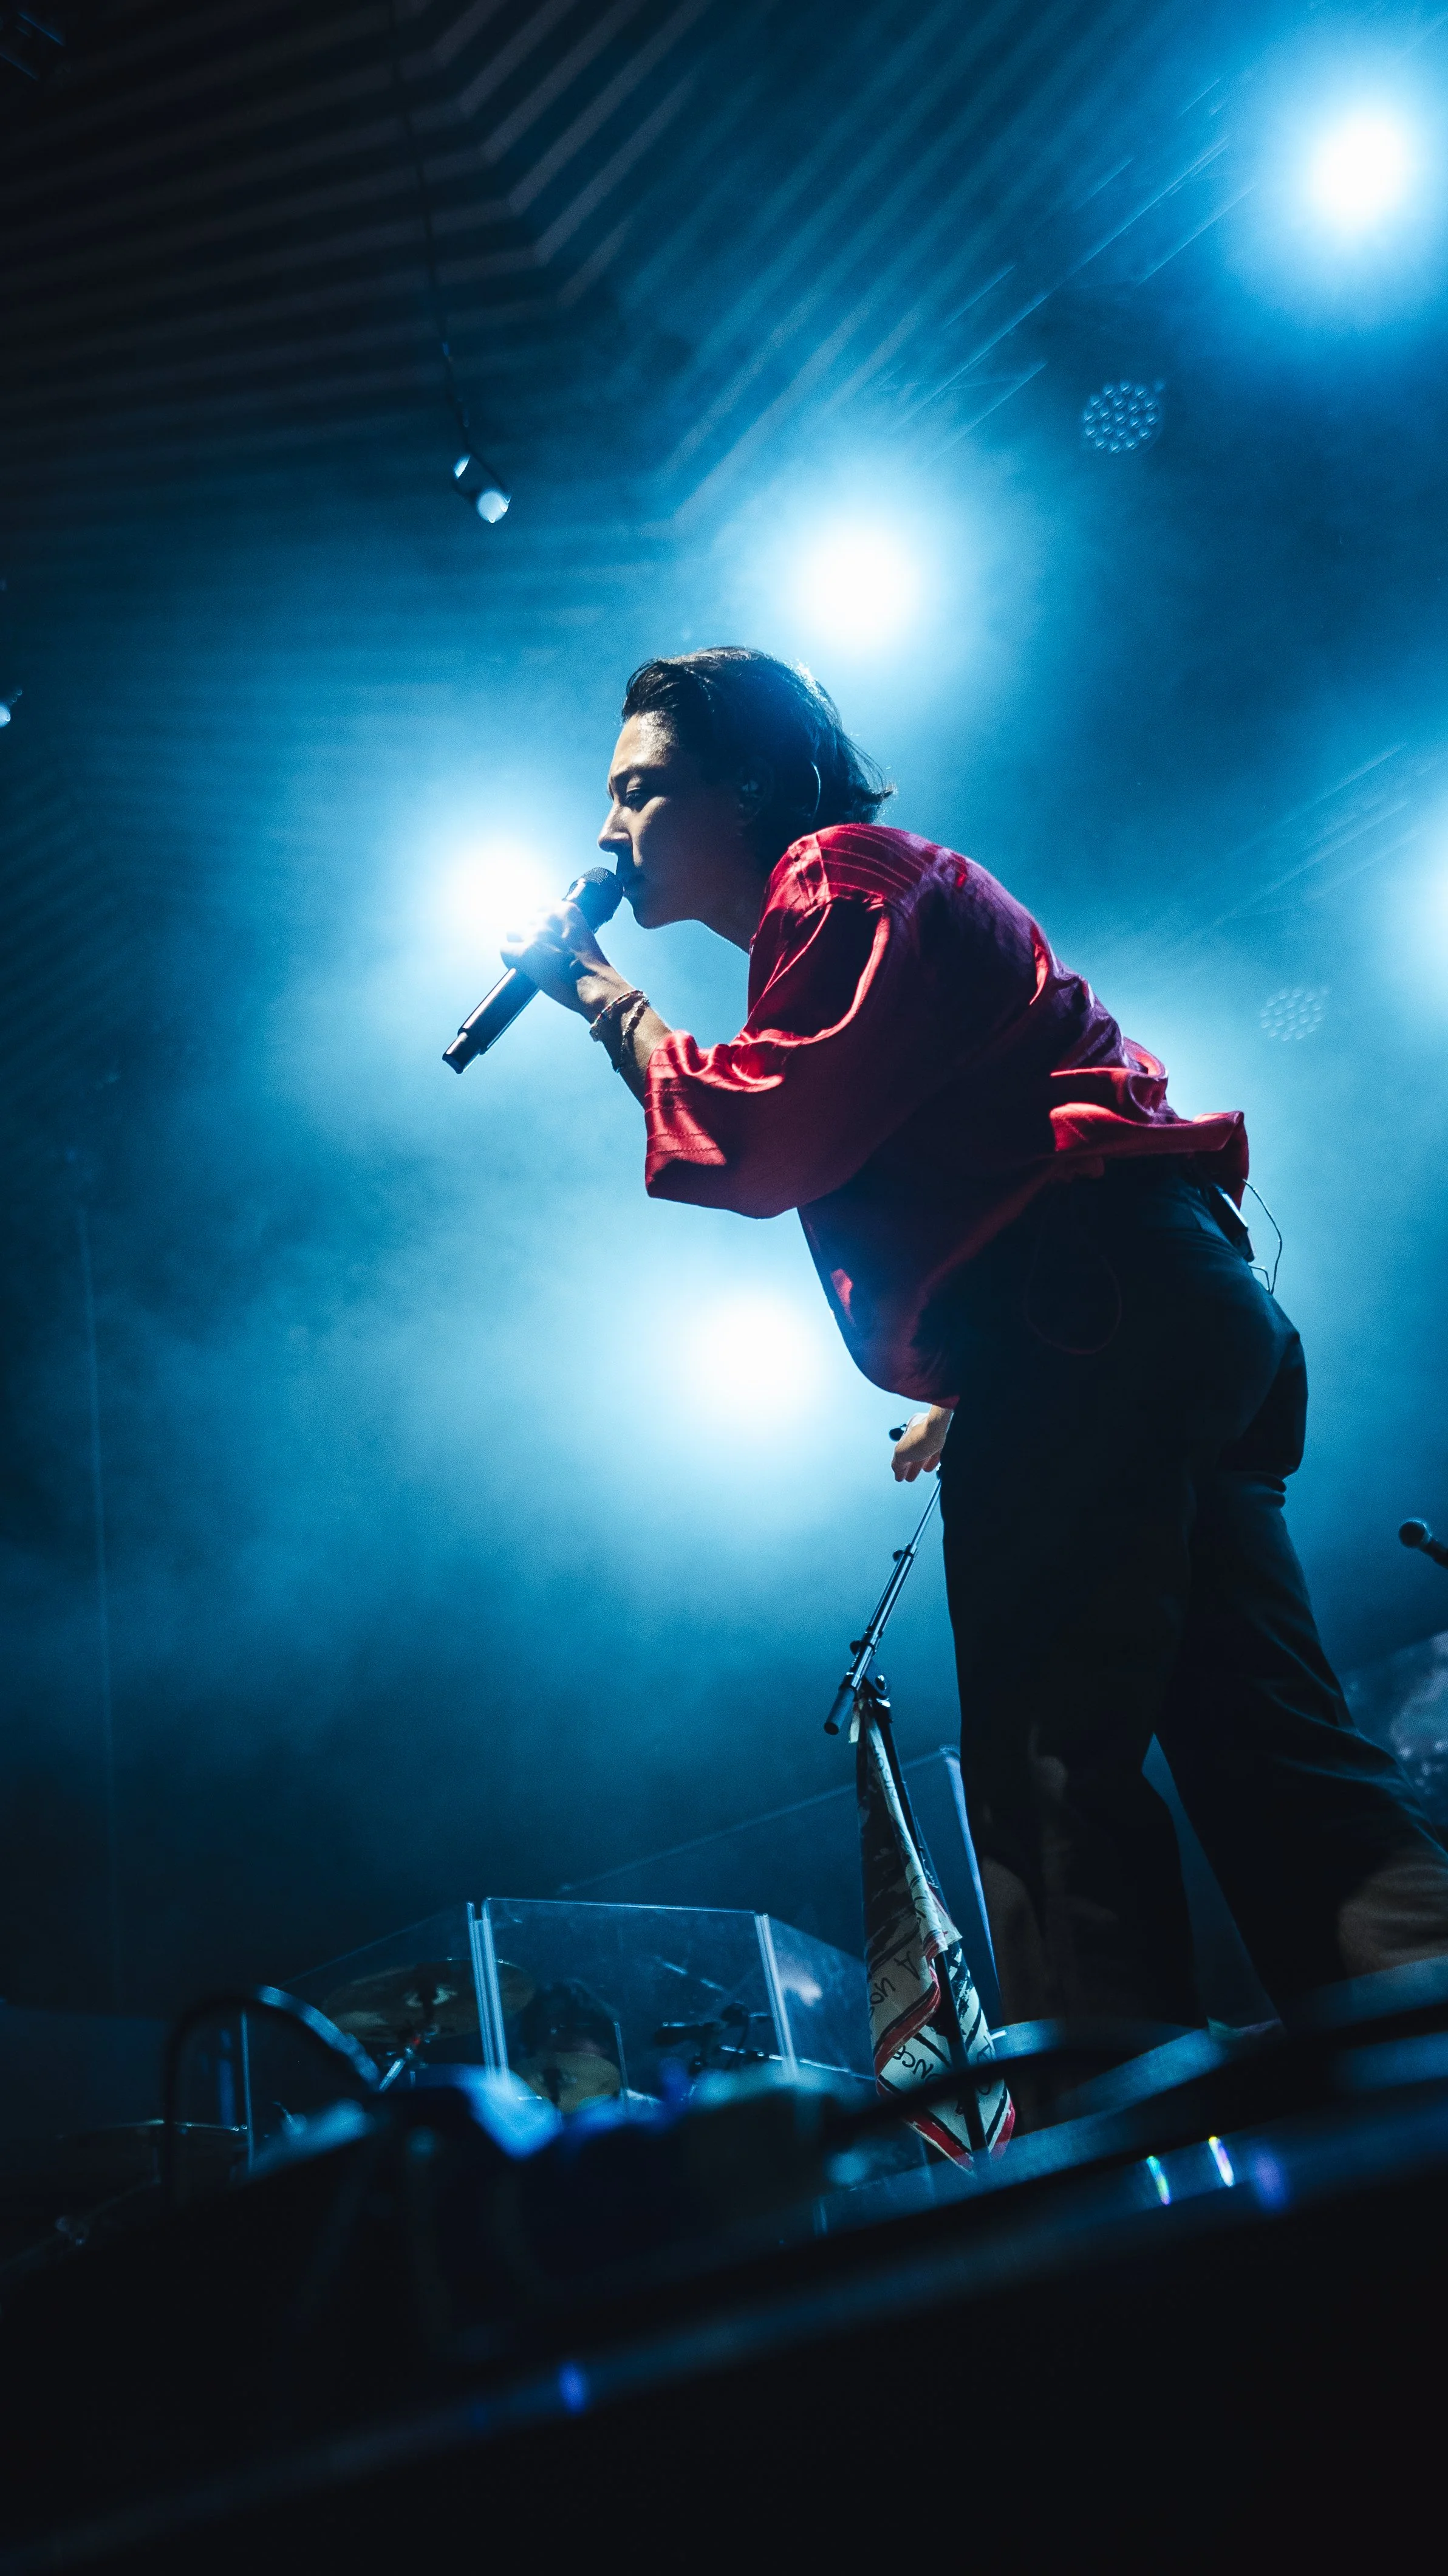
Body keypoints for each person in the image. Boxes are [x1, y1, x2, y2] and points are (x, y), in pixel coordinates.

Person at [502, 646, 1448, 2030]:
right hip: (1144, 1310)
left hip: (1087, 1318)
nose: (608, 829)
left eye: (642, 789)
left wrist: (607, 1002)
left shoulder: (836, 875)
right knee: (1279, 1758)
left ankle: (1131, 2193)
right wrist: (983, 1363)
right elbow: (986, 1144)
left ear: (749, 783)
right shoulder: (857, 897)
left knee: (1046, 1784)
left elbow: (765, 1133)